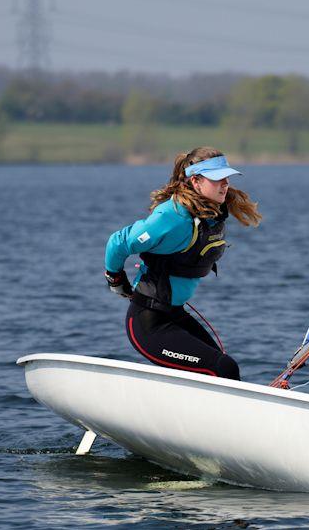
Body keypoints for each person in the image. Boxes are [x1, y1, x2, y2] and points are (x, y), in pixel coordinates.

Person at [104, 146, 262, 380]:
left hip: (175, 315)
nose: (225, 184)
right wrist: (116, 279)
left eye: (226, 177)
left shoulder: (211, 213)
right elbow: (118, 243)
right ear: (196, 182)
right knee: (223, 368)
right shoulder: (173, 217)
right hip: (148, 323)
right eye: (217, 179)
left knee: (222, 367)